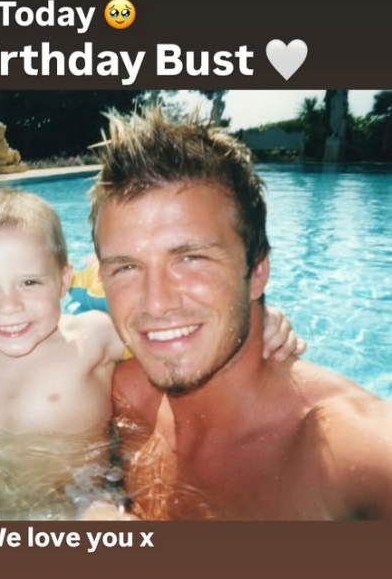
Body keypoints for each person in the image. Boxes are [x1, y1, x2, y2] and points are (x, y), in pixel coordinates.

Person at [90, 108, 392, 520]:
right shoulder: (119, 394)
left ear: (257, 272)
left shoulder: (350, 451)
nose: (155, 303)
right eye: (126, 267)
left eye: (191, 258)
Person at [0, 188, 302, 520]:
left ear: (63, 281)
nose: (9, 306)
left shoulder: (91, 336)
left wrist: (259, 320)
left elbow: (171, 336)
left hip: (79, 504)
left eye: (29, 282)